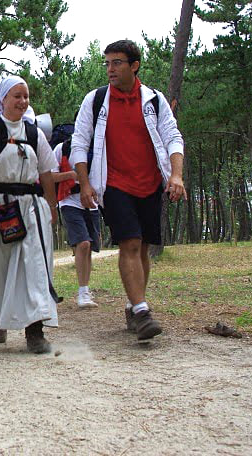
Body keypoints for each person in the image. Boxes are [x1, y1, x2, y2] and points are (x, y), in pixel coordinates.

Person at [70, 40, 185, 342]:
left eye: (117, 62)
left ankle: (133, 305)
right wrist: (84, 184)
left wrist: (176, 175)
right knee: (130, 243)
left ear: (134, 66)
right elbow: (79, 143)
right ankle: (143, 311)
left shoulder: (154, 100)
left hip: (150, 184)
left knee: (143, 246)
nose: (110, 69)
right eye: (107, 63)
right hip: (114, 185)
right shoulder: (95, 101)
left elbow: (173, 137)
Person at [0, 75, 59, 354]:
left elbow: (46, 172)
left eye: (26, 96)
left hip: (31, 207)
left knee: (35, 267)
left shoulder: (34, 133)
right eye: (16, 96)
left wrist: (51, 208)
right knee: (0, 268)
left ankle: (35, 331)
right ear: (3, 99)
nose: (22, 101)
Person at [51, 140, 100, 309]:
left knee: (89, 247)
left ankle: (85, 289)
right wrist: (71, 175)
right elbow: (49, 175)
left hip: (92, 203)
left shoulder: (99, 147)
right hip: (69, 202)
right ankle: (82, 292)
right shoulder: (62, 148)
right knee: (83, 243)